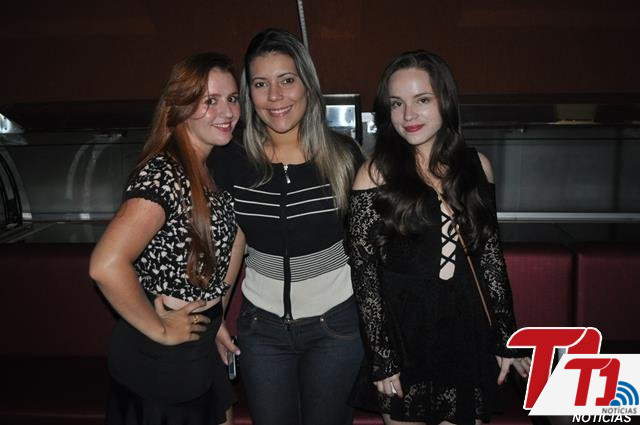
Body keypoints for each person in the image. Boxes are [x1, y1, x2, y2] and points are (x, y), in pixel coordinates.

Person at [346, 50, 531, 425]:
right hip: (405, 335)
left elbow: (490, 258)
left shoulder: (477, 167)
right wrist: (382, 357)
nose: (408, 115)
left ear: (444, 100)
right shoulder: (374, 174)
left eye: (422, 100)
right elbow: (365, 277)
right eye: (397, 103)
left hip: (467, 332)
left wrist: (505, 337)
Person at [209, 28, 364, 425]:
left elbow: (369, 248)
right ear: (249, 94)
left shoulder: (344, 156)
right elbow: (234, 243)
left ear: (307, 85)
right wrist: (215, 318)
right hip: (261, 330)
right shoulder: (231, 159)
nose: (275, 96)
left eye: (287, 80)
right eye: (261, 84)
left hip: (337, 327)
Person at [89, 52, 245, 425]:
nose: (226, 111)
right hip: (162, 359)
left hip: (200, 342)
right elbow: (105, 265)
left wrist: (216, 315)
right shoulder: (163, 175)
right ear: (179, 107)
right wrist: (160, 328)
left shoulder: (209, 167)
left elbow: (233, 242)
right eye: (209, 101)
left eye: (231, 98)